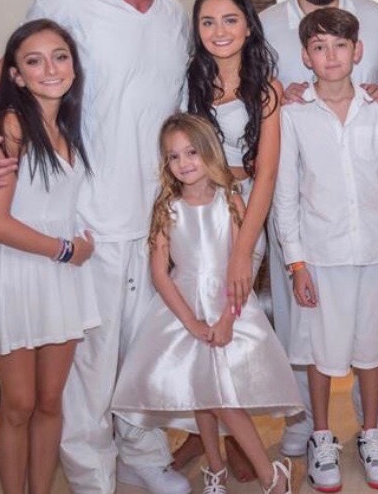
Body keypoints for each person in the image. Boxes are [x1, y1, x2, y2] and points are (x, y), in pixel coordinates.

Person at [0, 0, 192, 494]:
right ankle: (92, 474)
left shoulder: (174, 18)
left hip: (154, 217)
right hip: (88, 221)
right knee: (89, 364)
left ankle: (143, 454)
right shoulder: (67, 0)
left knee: (144, 351)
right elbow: (4, 69)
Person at [260, 0, 378, 458]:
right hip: (305, 199)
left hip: (367, 202)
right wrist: (279, 91)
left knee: (377, 325)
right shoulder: (265, 25)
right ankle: (305, 424)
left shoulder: (375, 18)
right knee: (304, 320)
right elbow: (252, 88)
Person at [112, 113, 301, 494]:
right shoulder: (167, 208)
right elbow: (160, 274)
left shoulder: (229, 201)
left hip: (227, 305)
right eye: (173, 156)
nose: (183, 163)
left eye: (191, 152)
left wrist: (227, 319)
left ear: (209, 151)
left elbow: (245, 264)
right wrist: (191, 323)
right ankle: (215, 470)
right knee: (199, 391)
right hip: (182, 311)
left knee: (223, 398)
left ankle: (271, 476)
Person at [273, 8, 378, 491]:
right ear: (305, 56)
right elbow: (286, 196)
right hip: (319, 254)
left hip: (372, 250)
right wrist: (296, 263)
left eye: (340, 45)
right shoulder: (293, 115)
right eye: (319, 47)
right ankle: (321, 435)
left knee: (372, 346)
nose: (330, 56)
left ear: (358, 51)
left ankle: (371, 432)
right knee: (320, 348)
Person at [0, 20, 98, 494]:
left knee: (50, 401)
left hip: (60, 279)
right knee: (19, 404)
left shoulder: (67, 125)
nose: (50, 68)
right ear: (16, 76)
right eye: (34, 60)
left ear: (73, 65)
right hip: (18, 273)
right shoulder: (10, 124)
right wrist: (65, 250)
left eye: (60, 56)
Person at [173, 0, 282, 480]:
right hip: (193, 215)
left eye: (230, 19)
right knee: (198, 326)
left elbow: (267, 175)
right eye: (208, 21)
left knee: (227, 323)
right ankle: (211, 438)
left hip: (242, 216)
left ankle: (237, 442)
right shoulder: (187, 84)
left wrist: (243, 252)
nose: (219, 30)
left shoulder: (267, 89)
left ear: (248, 27)